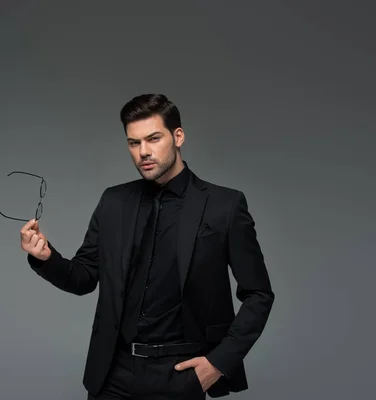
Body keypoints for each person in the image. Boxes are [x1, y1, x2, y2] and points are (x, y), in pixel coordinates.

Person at [20, 94, 274, 399]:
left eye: (153, 139)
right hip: (113, 373)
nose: (144, 152)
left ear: (178, 136)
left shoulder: (225, 206)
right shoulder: (114, 202)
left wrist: (217, 364)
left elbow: (259, 294)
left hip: (181, 372)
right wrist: (46, 258)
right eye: (133, 143)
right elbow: (84, 277)